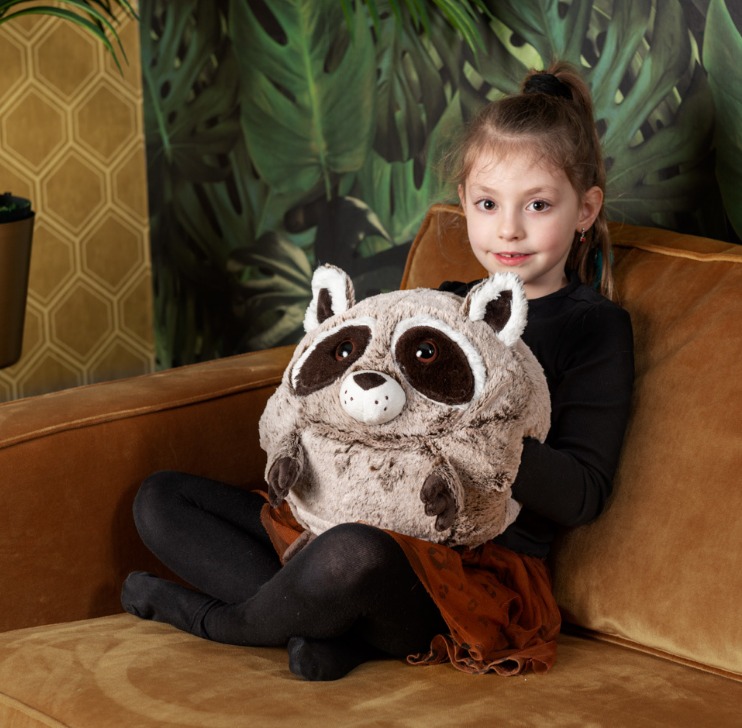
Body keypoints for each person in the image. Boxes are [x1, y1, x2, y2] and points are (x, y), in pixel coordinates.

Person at [121, 61, 634, 681]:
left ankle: (223, 621)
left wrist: (476, 437)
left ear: (585, 210)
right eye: (488, 203)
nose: (509, 228)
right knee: (162, 498)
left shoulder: (594, 326)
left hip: (465, 569)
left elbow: (584, 494)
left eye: (540, 205)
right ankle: (328, 627)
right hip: (355, 519)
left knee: (352, 555)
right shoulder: (441, 305)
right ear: (464, 204)